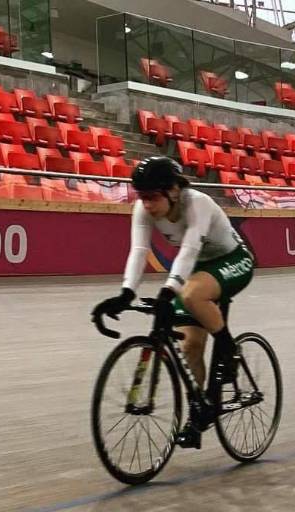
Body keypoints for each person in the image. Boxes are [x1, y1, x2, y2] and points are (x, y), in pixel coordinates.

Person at [91, 156, 255, 449]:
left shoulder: (198, 204)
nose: (147, 204)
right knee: (190, 345)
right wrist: (126, 292)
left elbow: (190, 249)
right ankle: (200, 410)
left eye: (153, 197)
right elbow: (139, 250)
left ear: (173, 191)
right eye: (142, 197)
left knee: (190, 294)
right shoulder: (144, 208)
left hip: (233, 259)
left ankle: (228, 348)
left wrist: (168, 292)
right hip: (196, 268)